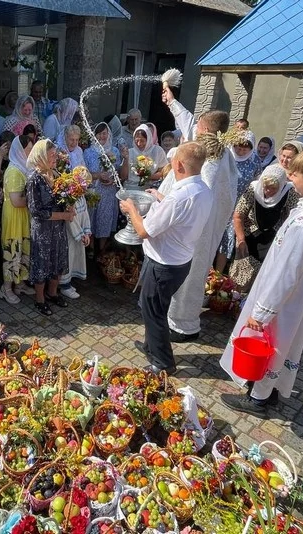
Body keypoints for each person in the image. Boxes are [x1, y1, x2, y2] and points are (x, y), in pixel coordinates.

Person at [218, 147, 303, 415]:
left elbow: (287, 270)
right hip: (296, 296)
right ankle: (269, 389)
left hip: (281, 298)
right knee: (282, 343)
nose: (290, 177)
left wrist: (263, 311)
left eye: (294, 173)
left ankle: (258, 397)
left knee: (269, 343)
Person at [120, 142, 213, 374]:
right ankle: (151, 345)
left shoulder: (179, 197)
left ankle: (163, 362)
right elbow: (179, 215)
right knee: (155, 306)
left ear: (178, 164)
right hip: (180, 260)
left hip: (164, 263)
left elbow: (144, 231)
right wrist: (160, 197)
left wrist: (131, 209)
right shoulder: (203, 188)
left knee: (153, 311)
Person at [161, 90, 238, 342]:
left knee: (190, 276)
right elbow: (185, 120)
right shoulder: (219, 150)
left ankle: (183, 325)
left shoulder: (212, 160)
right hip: (203, 226)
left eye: (200, 126)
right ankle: (176, 318)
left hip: (197, 230)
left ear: (206, 130)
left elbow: (196, 194)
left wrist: (167, 203)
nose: (196, 128)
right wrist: (171, 101)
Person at [228, 164, 300, 291]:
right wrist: (241, 240)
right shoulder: (253, 188)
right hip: (249, 234)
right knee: (240, 275)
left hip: (272, 237)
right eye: (266, 187)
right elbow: (238, 215)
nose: (268, 192)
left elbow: (294, 217)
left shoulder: (289, 192)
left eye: (273, 189)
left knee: (263, 277)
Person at [27, 140, 74, 315]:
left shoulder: (57, 174)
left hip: (58, 228)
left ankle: (53, 294)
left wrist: (70, 204)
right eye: (52, 155)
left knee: (58, 258)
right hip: (43, 230)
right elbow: (36, 211)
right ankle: (40, 299)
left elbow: (64, 198)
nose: (55, 157)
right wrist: (64, 215)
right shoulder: (34, 179)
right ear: (41, 156)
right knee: (42, 262)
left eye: (55, 154)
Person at [0, 135, 36, 304]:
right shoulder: (14, 171)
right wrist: (35, 200)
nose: (30, 153)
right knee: (13, 249)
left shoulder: (23, 168)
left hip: (22, 214)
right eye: (28, 150)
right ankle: (6, 289)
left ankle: (19, 284)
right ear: (20, 151)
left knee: (23, 249)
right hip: (14, 215)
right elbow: (16, 201)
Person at [218, 132, 263, 271]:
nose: (241, 151)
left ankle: (217, 273)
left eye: (245, 149)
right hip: (221, 202)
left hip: (238, 205)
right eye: (238, 147)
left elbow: (257, 182)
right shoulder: (226, 156)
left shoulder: (254, 161)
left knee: (227, 238)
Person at [85, 122, 130, 255]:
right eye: (99, 133)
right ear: (94, 135)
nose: (102, 136)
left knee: (105, 218)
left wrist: (113, 180)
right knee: (92, 218)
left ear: (109, 134)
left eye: (104, 133)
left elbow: (120, 174)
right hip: (94, 190)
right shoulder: (88, 152)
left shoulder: (115, 151)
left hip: (109, 192)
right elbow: (84, 173)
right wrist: (98, 175)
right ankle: (91, 247)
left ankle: (102, 249)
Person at [59, 178, 92, 300]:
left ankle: (69, 282)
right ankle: (64, 285)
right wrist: (80, 234)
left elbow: (85, 215)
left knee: (75, 259)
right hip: (71, 236)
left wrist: (87, 232)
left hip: (80, 235)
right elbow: (70, 220)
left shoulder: (81, 198)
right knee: (68, 258)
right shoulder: (70, 200)